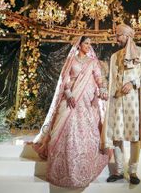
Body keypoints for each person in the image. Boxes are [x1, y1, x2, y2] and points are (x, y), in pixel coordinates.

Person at [32, 36, 109, 188]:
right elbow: (65, 78)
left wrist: (103, 90)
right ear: (79, 45)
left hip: (87, 100)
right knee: (60, 129)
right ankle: (61, 166)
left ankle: (83, 165)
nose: (89, 46)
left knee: (86, 130)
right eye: (86, 43)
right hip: (71, 98)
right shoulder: (71, 60)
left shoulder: (92, 62)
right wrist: (69, 94)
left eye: (90, 43)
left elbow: (99, 79)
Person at [101, 23, 141, 185]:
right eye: (116, 35)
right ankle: (118, 171)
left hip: (134, 102)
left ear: (128, 36)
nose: (117, 39)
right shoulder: (114, 57)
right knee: (116, 136)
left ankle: (133, 171)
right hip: (117, 100)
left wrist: (134, 83)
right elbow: (111, 80)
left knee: (134, 136)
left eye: (119, 35)